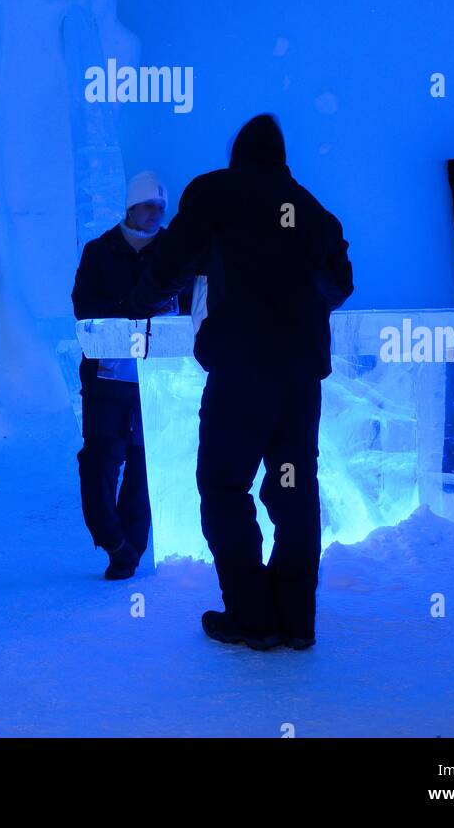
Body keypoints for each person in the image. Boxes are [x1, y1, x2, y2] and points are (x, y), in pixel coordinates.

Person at [125, 114, 353, 650]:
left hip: (241, 374)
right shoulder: (313, 212)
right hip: (298, 380)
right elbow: (339, 284)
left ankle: (253, 616)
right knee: (294, 490)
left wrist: (140, 303)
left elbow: (169, 264)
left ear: (238, 153)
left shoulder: (215, 193)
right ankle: (296, 621)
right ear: (281, 155)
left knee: (225, 487)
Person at [72, 171, 191, 580]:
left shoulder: (177, 254)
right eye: (149, 206)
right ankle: (112, 539)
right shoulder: (99, 252)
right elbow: (84, 307)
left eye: (161, 206)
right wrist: (134, 309)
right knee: (101, 458)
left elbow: (191, 307)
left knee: (144, 462)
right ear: (131, 208)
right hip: (108, 379)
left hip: (157, 381)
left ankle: (132, 547)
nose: (156, 214)